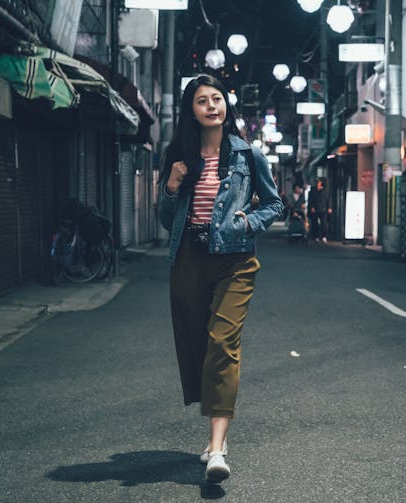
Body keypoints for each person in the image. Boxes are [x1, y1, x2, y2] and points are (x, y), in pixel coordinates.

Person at [158, 74, 283, 484]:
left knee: (221, 343)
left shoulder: (247, 155)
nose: (211, 106)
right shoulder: (178, 155)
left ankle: (217, 448)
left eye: (217, 99)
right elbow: (165, 220)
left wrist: (249, 221)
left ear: (226, 106)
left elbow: (274, 203)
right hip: (189, 259)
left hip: (235, 260)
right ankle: (215, 434)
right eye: (201, 101)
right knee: (196, 343)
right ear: (190, 110)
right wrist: (172, 187)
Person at [308, 177, 331, 242]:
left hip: (323, 209)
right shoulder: (313, 190)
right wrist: (311, 207)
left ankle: (324, 236)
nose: (318, 183)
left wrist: (329, 207)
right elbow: (311, 199)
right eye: (318, 182)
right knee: (315, 223)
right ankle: (316, 236)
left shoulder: (325, 190)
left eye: (319, 182)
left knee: (324, 223)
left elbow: (328, 199)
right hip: (315, 208)